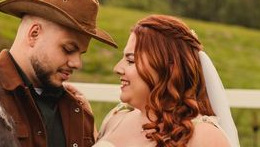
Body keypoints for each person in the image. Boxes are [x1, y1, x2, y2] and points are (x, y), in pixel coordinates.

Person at [0, 0, 118, 147]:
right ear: (34, 34)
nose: (77, 63)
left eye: (80, 54)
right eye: (68, 49)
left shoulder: (78, 111)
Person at [94, 15, 240, 147]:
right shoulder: (116, 117)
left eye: (131, 60)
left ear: (167, 68)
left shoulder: (204, 137)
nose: (117, 68)